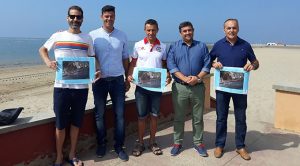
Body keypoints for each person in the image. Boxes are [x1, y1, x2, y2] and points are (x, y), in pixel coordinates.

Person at [39, 5, 97, 166]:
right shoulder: (58, 35)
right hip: (61, 87)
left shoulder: (87, 38)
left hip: (81, 89)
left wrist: (95, 72)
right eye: (72, 17)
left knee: (76, 123)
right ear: (67, 18)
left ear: (82, 19)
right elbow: (43, 49)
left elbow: (91, 59)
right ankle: (58, 157)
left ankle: (72, 155)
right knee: (60, 124)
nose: (75, 20)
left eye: (78, 17)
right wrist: (48, 62)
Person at [210, 18, 259, 160]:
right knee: (221, 117)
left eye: (234, 28)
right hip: (222, 88)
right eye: (228, 28)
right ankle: (219, 145)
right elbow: (208, 60)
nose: (231, 30)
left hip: (239, 88)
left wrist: (252, 66)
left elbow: (255, 62)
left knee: (241, 118)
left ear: (238, 28)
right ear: (224, 29)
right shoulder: (218, 45)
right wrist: (214, 63)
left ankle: (240, 146)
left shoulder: (245, 45)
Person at [89, 5, 130, 161]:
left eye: (111, 16)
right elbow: (89, 55)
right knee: (99, 115)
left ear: (115, 16)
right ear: (101, 17)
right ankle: (102, 144)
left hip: (118, 80)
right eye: (106, 16)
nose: (109, 18)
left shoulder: (122, 35)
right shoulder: (92, 35)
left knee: (120, 115)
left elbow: (126, 58)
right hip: (99, 81)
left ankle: (119, 146)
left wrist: (127, 78)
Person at [127, 19, 171, 157]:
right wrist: (128, 75)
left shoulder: (163, 47)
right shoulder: (138, 45)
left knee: (154, 116)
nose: (151, 32)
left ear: (157, 30)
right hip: (141, 87)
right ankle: (140, 143)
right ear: (145, 30)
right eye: (148, 30)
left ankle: (152, 142)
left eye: (153, 30)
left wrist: (168, 75)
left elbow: (164, 65)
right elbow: (133, 63)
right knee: (141, 116)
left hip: (156, 88)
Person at [167, 21, 211, 157]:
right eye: (184, 31)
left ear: (193, 30)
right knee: (179, 117)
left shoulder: (202, 46)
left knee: (198, 118)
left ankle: (198, 143)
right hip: (180, 88)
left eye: (189, 30)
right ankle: (177, 143)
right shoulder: (174, 47)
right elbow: (171, 66)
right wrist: (186, 79)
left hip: (198, 87)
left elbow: (207, 64)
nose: (187, 33)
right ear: (180, 33)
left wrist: (197, 78)